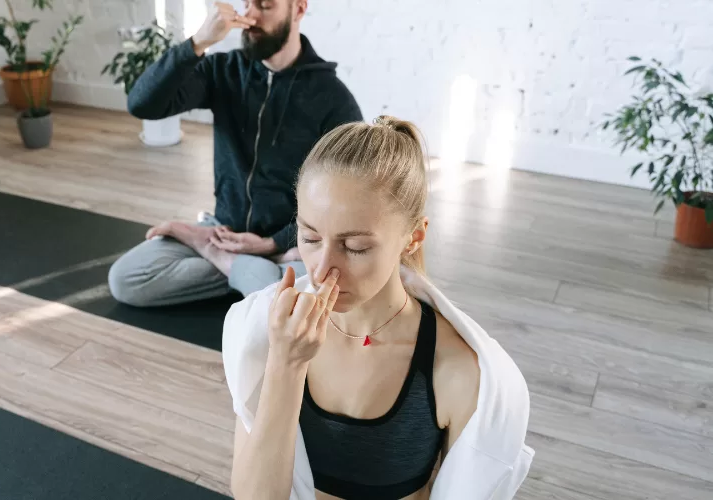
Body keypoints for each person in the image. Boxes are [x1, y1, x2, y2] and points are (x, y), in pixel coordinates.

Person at [222, 117, 533, 499]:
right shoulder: (267, 330)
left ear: (414, 237)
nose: (321, 270)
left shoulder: (457, 372)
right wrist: (286, 363)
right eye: (309, 237)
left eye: (355, 247)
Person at [107, 0, 363, 307]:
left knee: (310, 295)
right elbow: (142, 104)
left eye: (265, 5)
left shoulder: (332, 98)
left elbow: (345, 201)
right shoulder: (224, 71)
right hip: (221, 231)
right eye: (247, 4)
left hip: (291, 242)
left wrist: (273, 243)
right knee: (126, 279)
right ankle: (251, 276)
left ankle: (228, 262)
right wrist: (198, 42)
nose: (251, 15)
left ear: (298, 10)